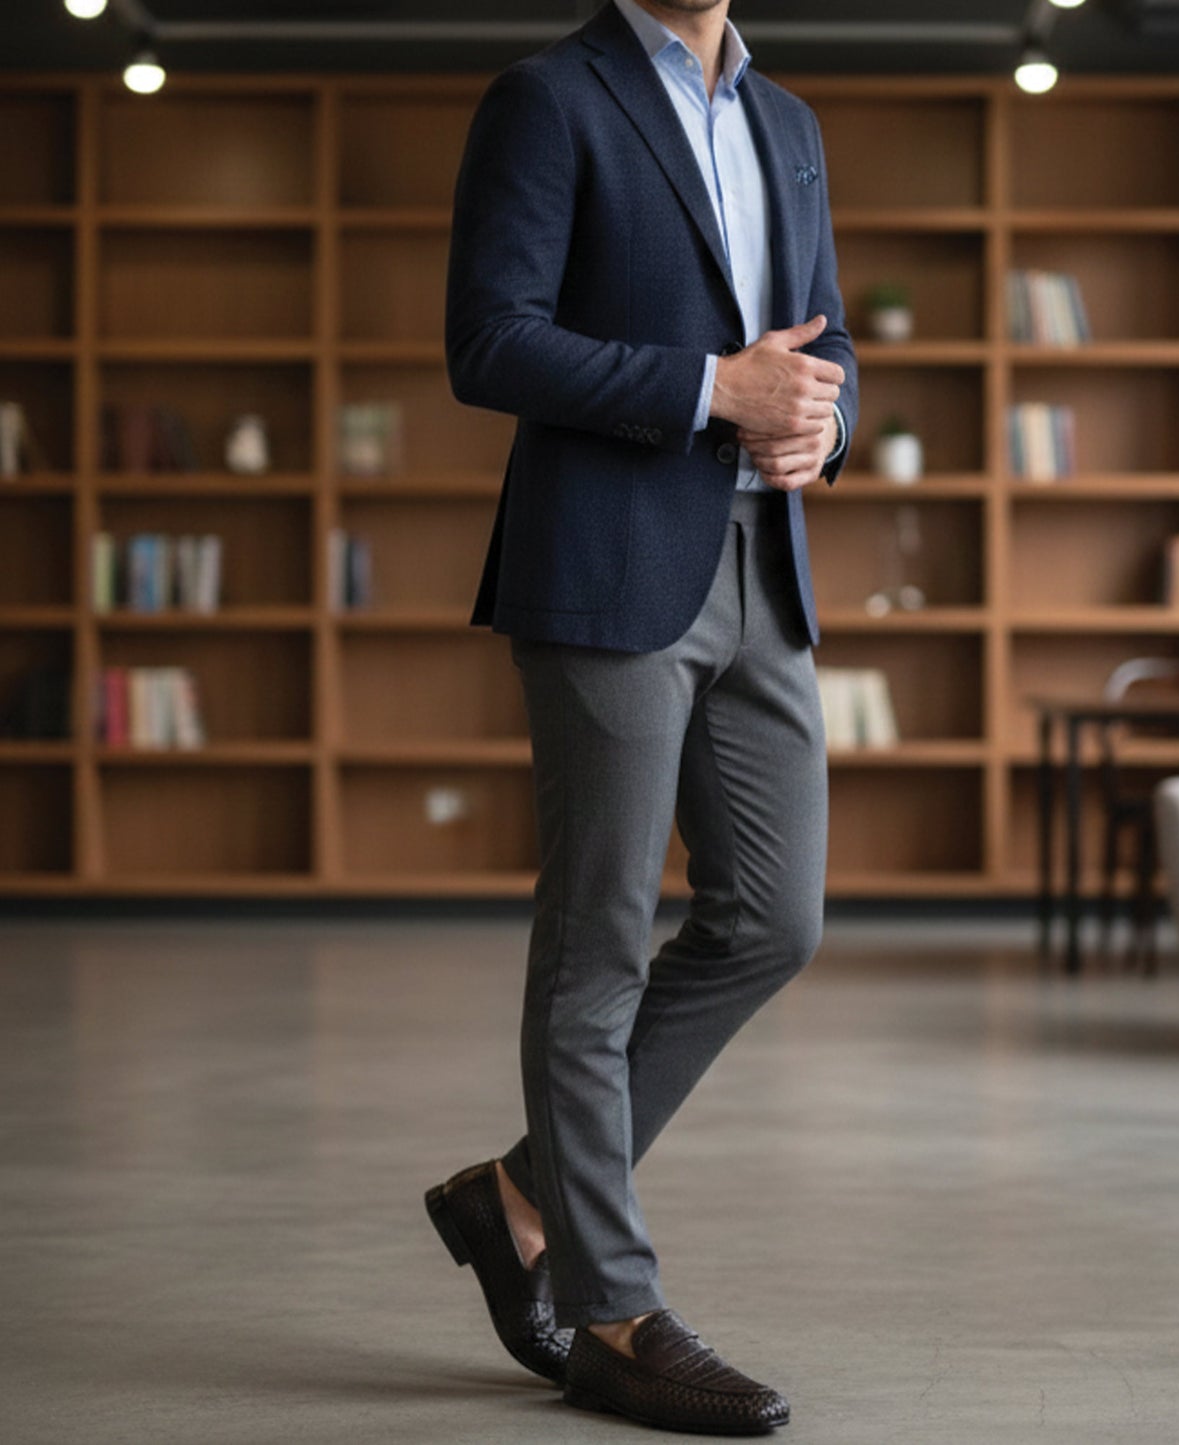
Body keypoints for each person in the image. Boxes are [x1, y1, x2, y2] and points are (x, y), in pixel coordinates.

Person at [427, 0, 858, 1433]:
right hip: (606, 567)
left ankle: (519, 1193)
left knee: (773, 918)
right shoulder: (548, 98)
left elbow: (827, 346)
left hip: (759, 570)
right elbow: (489, 341)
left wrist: (820, 418)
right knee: (598, 930)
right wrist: (706, 388)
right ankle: (610, 1306)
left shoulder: (784, 121)